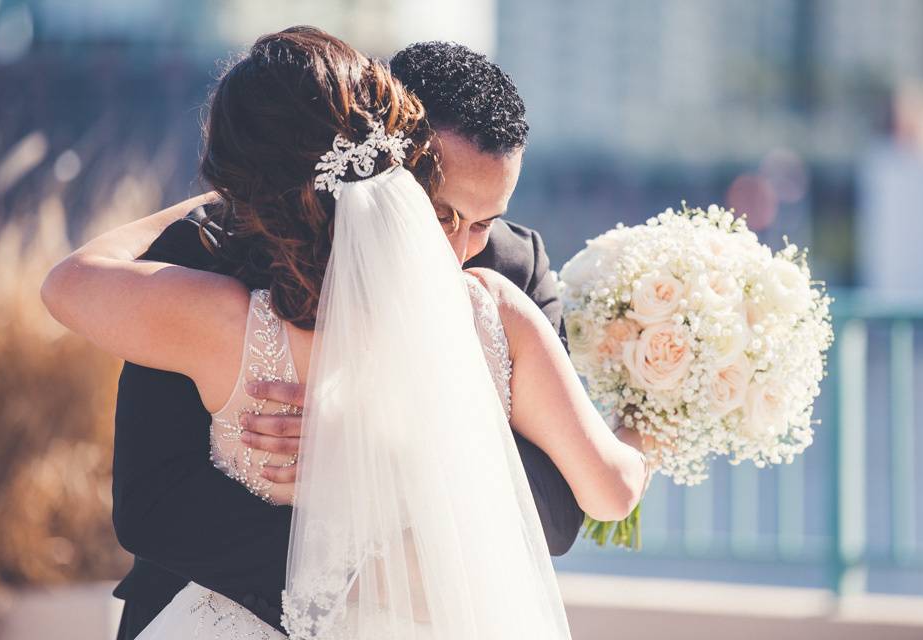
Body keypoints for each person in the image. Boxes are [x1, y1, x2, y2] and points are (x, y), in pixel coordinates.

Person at [43, 29, 650, 637]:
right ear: (398, 153)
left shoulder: (511, 273)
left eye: (484, 224)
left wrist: (384, 465)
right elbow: (154, 507)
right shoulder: (211, 255)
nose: (459, 247)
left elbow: (556, 507)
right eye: (440, 212)